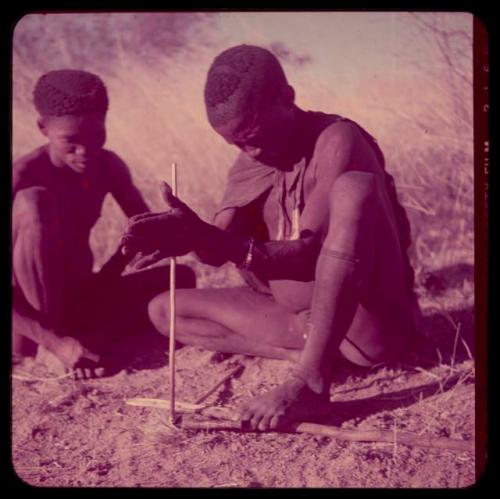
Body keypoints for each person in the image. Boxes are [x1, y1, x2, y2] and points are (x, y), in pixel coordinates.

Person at [121, 45, 421, 429]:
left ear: (287, 98)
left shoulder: (337, 140)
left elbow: (307, 251)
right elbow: (216, 250)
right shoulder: (251, 161)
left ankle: (311, 379)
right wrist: (190, 234)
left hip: (367, 328)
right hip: (299, 323)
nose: (251, 151)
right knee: (165, 310)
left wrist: (221, 243)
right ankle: (315, 354)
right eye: (237, 144)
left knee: (354, 189)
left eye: (254, 137)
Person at [12, 69, 195, 379]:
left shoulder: (108, 166)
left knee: (183, 278)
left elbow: (147, 232)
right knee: (35, 201)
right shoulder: (24, 176)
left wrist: (119, 265)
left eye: (96, 136)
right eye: (70, 141)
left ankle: (85, 338)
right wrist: (55, 342)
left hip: (80, 295)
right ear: (43, 128)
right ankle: (51, 351)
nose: (85, 152)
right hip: (28, 320)